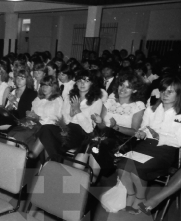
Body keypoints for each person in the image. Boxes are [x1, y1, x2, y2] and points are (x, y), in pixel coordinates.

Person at [115, 76, 181, 212]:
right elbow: (144, 128)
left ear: (178, 94)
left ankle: (140, 198)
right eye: (163, 91)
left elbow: (178, 141)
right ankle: (131, 194)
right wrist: (141, 133)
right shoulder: (151, 109)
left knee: (137, 170)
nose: (165, 94)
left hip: (166, 151)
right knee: (121, 166)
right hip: (146, 146)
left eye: (170, 92)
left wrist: (159, 136)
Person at [37, 69, 103, 163]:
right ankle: (54, 162)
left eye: (86, 81)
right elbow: (65, 120)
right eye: (80, 80)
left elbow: (89, 129)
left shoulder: (96, 101)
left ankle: (51, 164)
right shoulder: (69, 97)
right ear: (76, 82)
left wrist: (78, 111)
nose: (82, 84)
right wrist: (71, 115)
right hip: (67, 128)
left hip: (82, 133)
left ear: (92, 83)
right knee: (45, 129)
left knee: (48, 140)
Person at [90, 73, 146, 179]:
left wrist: (116, 127)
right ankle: (92, 178)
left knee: (98, 143)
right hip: (104, 135)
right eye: (121, 85)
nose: (123, 89)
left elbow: (134, 132)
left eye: (128, 87)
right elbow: (102, 127)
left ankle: (94, 178)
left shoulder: (138, 106)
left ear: (134, 90)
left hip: (123, 139)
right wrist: (99, 121)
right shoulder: (109, 102)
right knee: (94, 141)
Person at [9, 75, 64, 157]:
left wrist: (38, 118)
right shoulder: (38, 99)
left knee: (20, 138)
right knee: (11, 137)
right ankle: (11, 161)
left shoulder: (57, 100)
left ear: (54, 87)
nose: (44, 88)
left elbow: (56, 120)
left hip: (46, 129)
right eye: (43, 85)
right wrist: (29, 117)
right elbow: (32, 113)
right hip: (33, 125)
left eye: (48, 85)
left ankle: (24, 158)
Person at [0, 69, 37, 142]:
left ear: (27, 80)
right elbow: (7, 108)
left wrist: (14, 101)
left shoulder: (31, 93)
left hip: (19, 119)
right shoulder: (13, 91)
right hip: (10, 115)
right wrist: (10, 105)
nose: (19, 81)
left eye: (22, 79)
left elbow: (25, 112)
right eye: (18, 78)